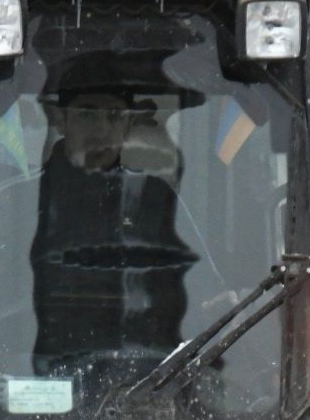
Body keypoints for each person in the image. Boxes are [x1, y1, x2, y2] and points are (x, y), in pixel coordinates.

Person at [28, 82, 195, 379]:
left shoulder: (155, 199)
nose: (102, 130)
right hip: (41, 383)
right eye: (88, 114)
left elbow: (204, 294)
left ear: (128, 125)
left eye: (115, 116)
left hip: (149, 382)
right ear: (61, 120)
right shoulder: (17, 204)